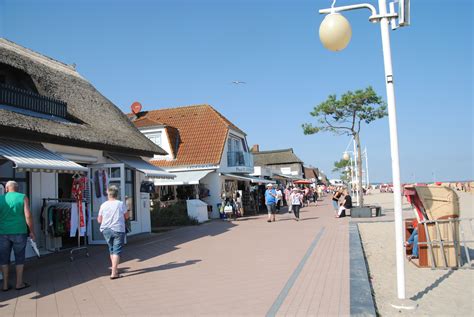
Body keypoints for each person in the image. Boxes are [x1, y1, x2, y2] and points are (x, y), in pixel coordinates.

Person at [0, 180, 35, 291]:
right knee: (19, 257)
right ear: (17, 188)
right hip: (20, 231)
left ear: (6, 189)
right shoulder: (22, 197)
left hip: (3, 232)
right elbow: (28, 215)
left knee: (4, 258)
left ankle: (5, 285)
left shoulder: (1, 198)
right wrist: (31, 231)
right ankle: (19, 283)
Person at [98, 185, 129, 279]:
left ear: (108, 194)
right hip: (118, 229)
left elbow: (99, 220)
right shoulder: (120, 204)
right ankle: (114, 272)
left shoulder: (103, 205)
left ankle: (114, 270)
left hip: (106, 230)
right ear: (117, 194)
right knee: (117, 250)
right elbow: (126, 216)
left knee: (111, 249)